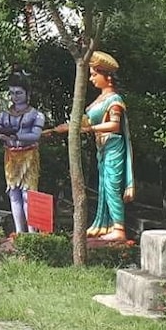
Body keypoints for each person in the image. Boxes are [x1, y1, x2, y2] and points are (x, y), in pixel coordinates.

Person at [56, 51, 134, 241]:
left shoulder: (114, 100)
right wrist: (68, 127)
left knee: (112, 186)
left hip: (113, 146)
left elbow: (115, 126)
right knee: (103, 187)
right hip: (102, 148)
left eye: (94, 74)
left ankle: (119, 230)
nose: (91, 79)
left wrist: (88, 129)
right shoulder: (99, 100)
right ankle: (105, 225)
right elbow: (84, 122)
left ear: (107, 77)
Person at [0, 70, 45, 233]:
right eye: (12, 93)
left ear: (28, 94)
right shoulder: (3, 115)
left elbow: (35, 136)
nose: (15, 96)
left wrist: (13, 136)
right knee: (13, 193)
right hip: (11, 157)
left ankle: (32, 233)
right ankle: (20, 232)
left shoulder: (36, 115)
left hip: (29, 156)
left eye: (19, 93)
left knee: (28, 194)